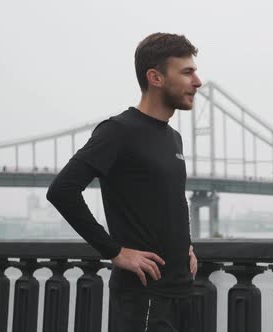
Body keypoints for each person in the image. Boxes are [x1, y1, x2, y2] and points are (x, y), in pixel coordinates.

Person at [47, 32, 202, 332]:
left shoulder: (173, 137)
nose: (197, 81)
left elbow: (171, 199)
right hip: (143, 297)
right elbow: (62, 190)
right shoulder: (118, 131)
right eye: (187, 72)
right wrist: (114, 251)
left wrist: (187, 244)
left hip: (183, 292)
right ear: (155, 77)